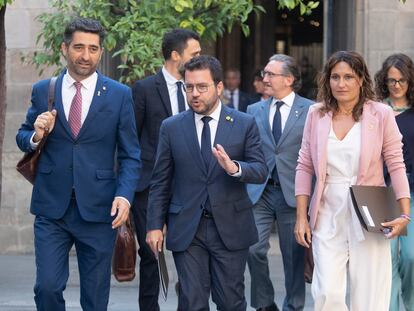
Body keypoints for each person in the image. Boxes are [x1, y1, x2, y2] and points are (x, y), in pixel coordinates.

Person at [15, 17, 141, 311]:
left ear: (100, 51)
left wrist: (124, 196)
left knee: (95, 298)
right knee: (46, 287)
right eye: (79, 47)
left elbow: (130, 154)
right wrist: (36, 133)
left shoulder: (120, 95)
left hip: (99, 210)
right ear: (64, 48)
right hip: (51, 208)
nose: (86, 56)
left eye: (94, 49)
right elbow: (23, 137)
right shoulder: (43, 90)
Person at [146, 55, 268, 310]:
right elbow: (160, 181)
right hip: (187, 228)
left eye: (202, 87)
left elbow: (260, 170)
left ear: (219, 87)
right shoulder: (171, 127)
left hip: (231, 228)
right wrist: (154, 225)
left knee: (231, 302)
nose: (194, 94)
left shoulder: (244, 123)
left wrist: (234, 168)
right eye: (189, 87)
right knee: (192, 302)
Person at [294, 50, 411, 311]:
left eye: (348, 76)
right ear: (327, 80)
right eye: (335, 77)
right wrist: (302, 216)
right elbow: (304, 166)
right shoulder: (316, 114)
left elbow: (396, 163)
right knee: (327, 292)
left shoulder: (380, 114)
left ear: (360, 79)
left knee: (369, 295)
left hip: (369, 210)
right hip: (327, 212)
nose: (341, 83)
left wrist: (404, 215)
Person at [131, 28, 200, 310]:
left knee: (191, 252)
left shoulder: (199, 87)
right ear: (176, 55)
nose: (200, 58)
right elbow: (131, 139)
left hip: (190, 186)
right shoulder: (144, 88)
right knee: (151, 254)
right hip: (149, 186)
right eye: (195, 54)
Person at [246, 54, 312, 311]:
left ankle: (293, 306)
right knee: (253, 249)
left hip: (294, 194)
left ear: (289, 79)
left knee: (294, 256)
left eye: (271, 74)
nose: (265, 79)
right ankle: (264, 304)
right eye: (265, 74)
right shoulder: (254, 110)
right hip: (260, 192)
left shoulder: (311, 110)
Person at [374, 53, 414, 311]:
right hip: (382, 192)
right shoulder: (376, 112)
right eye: (391, 81)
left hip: (412, 191)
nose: (396, 85)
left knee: (410, 256)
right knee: (386, 258)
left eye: (401, 80)